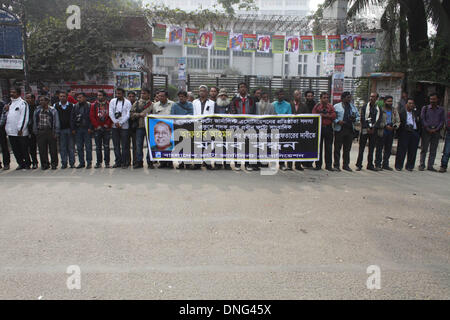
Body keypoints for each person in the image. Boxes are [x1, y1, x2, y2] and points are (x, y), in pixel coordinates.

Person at [0, 87, 31, 170]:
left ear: (18, 93)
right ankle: (20, 163)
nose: (12, 93)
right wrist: (6, 110)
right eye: (11, 92)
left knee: (23, 149)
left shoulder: (23, 103)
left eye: (14, 92)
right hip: (11, 131)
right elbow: (6, 116)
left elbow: (24, 117)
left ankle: (27, 164)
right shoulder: (9, 104)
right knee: (15, 149)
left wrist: (20, 128)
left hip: (20, 132)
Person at [230, 82, 258, 171]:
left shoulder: (252, 99)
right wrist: (238, 121)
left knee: (248, 145)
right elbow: (233, 111)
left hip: (249, 125)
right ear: (238, 89)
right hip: (238, 125)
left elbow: (254, 111)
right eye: (241, 87)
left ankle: (248, 164)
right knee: (238, 144)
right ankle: (237, 164)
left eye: (244, 87)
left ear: (247, 89)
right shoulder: (234, 99)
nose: (243, 89)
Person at [333, 92, 360, 172]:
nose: (349, 99)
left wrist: (355, 119)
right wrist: (338, 121)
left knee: (347, 149)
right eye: (348, 97)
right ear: (343, 98)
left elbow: (358, 116)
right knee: (337, 148)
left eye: (350, 97)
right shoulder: (336, 106)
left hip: (349, 130)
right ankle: (336, 165)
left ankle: (346, 165)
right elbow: (333, 117)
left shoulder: (353, 107)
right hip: (340, 129)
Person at [356, 93, 383, 171]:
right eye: (371, 96)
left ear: (377, 98)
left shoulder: (379, 108)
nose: (371, 98)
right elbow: (362, 118)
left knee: (371, 148)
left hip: (374, 130)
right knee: (361, 148)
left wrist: (374, 127)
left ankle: (370, 165)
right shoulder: (365, 107)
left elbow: (379, 119)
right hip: (365, 129)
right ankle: (359, 165)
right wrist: (366, 127)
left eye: (373, 97)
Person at [419, 93, 445, 171]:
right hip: (426, 131)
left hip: (436, 131)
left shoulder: (441, 109)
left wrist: (436, 129)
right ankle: (422, 165)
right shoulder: (425, 108)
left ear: (437, 100)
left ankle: (430, 166)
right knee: (424, 149)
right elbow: (422, 119)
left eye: (434, 99)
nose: (432, 101)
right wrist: (428, 128)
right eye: (431, 99)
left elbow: (442, 120)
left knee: (433, 150)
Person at [33, 96, 60, 170]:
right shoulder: (37, 110)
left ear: (47, 101)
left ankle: (54, 164)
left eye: (43, 100)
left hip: (50, 131)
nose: (41, 102)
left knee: (53, 149)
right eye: (40, 100)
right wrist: (35, 131)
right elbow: (35, 121)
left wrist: (56, 132)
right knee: (42, 149)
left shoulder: (52, 110)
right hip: (40, 131)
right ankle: (45, 164)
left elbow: (56, 121)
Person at [374, 95, 400, 171]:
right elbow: (377, 120)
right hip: (382, 131)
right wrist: (385, 126)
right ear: (384, 102)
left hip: (391, 132)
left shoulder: (394, 110)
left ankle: (385, 164)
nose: (390, 103)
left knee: (388, 149)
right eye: (388, 101)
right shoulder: (380, 109)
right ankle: (378, 164)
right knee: (379, 148)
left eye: (391, 101)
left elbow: (398, 121)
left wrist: (395, 126)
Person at [312, 92, 337, 171]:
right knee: (319, 147)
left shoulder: (330, 106)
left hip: (328, 128)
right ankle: (318, 165)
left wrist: (325, 116)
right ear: (321, 98)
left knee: (329, 148)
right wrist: (321, 115)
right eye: (324, 97)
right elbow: (314, 115)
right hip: (319, 128)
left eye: (327, 97)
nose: (326, 99)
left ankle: (328, 166)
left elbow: (334, 116)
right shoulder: (317, 106)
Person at [395, 98, 421, 171]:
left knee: (412, 150)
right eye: (409, 103)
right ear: (406, 104)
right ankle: (399, 165)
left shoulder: (416, 113)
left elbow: (419, 122)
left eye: (412, 103)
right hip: (404, 132)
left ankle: (410, 166)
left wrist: (418, 133)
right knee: (401, 150)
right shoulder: (401, 112)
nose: (411, 105)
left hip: (414, 132)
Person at [130, 88, 153, 169]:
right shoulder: (136, 104)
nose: (143, 95)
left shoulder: (152, 104)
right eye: (142, 93)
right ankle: (139, 162)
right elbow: (131, 115)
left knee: (150, 145)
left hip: (149, 127)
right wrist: (139, 115)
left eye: (145, 93)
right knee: (138, 145)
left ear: (148, 95)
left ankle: (150, 161)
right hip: (139, 127)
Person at [109, 88, 132, 169]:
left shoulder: (127, 102)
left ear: (123, 94)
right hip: (114, 126)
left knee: (125, 145)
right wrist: (115, 122)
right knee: (116, 145)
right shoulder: (112, 101)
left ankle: (125, 162)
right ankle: (118, 162)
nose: (118, 95)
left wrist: (121, 123)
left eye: (119, 93)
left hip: (124, 126)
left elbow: (128, 114)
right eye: (117, 93)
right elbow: (111, 112)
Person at [270, 89, 293, 171]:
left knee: (282, 146)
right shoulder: (272, 104)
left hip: (284, 129)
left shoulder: (288, 105)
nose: (281, 96)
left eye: (282, 94)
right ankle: (272, 163)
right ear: (276, 95)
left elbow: (290, 116)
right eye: (279, 94)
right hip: (274, 129)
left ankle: (282, 164)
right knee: (273, 146)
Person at [90, 90, 113, 169]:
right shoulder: (94, 105)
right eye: (98, 95)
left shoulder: (109, 104)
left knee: (106, 146)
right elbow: (92, 116)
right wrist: (97, 125)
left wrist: (107, 124)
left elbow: (111, 115)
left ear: (104, 96)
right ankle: (98, 162)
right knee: (98, 147)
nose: (99, 97)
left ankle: (107, 162)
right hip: (97, 128)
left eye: (100, 95)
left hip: (106, 128)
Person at [71, 92, 94, 169]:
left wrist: (90, 128)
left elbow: (92, 118)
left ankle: (89, 162)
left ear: (84, 98)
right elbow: (72, 118)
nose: (79, 99)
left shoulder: (89, 105)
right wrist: (73, 128)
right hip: (78, 129)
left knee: (88, 147)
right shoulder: (75, 106)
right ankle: (81, 162)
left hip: (87, 128)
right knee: (79, 147)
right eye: (78, 98)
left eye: (80, 97)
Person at [55, 91, 75, 169]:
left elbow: (73, 118)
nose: (62, 98)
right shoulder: (55, 106)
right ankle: (64, 163)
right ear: (59, 97)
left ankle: (72, 163)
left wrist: (73, 128)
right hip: (61, 130)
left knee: (71, 147)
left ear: (67, 97)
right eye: (61, 96)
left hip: (70, 129)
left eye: (64, 96)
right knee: (62, 148)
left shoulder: (72, 106)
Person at [25, 93, 39, 169]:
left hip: (39, 129)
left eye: (29, 98)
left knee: (42, 147)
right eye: (26, 98)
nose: (27, 100)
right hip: (29, 130)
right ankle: (34, 162)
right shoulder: (25, 107)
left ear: (33, 99)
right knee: (31, 148)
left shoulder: (38, 107)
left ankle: (45, 162)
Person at [127, 91, 138, 167]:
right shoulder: (124, 104)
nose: (131, 98)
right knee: (126, 146)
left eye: (132, 96)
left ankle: (135, 161)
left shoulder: (137, 104)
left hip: (135, 128)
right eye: (129, 96)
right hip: (126, 127)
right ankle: (127, 161)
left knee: (135, 146)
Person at [0, 99, 10, 170]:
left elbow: (4, 115)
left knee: (4, 146)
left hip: (1, 128)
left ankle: (6, 163)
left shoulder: (2, 104)